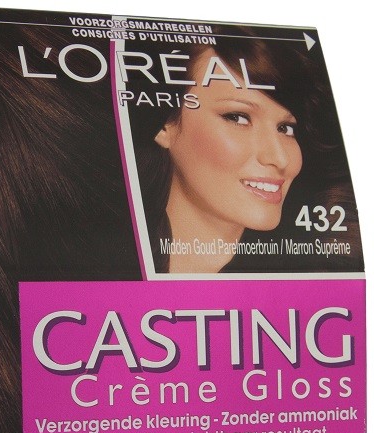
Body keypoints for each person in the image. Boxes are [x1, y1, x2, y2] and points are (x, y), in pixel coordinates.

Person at [127, 30, 362, 273]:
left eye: (285, 128)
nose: (280, 158)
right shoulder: (113, 261)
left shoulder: (317, 269)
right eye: (238, 117)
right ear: (165, 125)